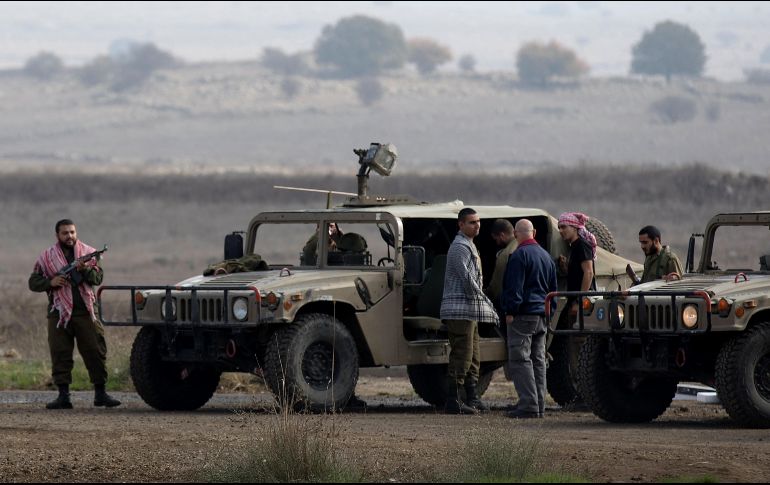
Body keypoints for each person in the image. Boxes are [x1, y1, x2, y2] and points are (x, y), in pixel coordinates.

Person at [28, 219, 121, 409]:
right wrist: (51, 282)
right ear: (57, 235)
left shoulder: (88, 253)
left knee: (95, 351)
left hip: (86, 312)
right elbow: (33, 282)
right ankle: (63, 396)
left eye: (72, 232)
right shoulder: (47, 257)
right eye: (65, 233)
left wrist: (84, 269)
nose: (69, 236)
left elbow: (98, 278)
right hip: (58, 311)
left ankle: (100, 394)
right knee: (60, 352)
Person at [440, 208, 499, 414]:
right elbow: (468, 281)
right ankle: (453, 400)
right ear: (461, 225)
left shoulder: (469, 245)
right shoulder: (460, 247)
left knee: (474, 354)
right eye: (472, 222)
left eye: (478, 221)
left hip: (468, 310)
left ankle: (472, 397)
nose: (477, 225)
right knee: (462, 354)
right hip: (459, 310)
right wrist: (486, 303)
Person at [501, 219, 557, 419]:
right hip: (542, 315)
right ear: (533, 232)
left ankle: (528, 405)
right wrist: (549, 312)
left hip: (523, 316)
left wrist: (510, 311)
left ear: (516, 234)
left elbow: (514, 288)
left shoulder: (519, 256)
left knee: (520, 359)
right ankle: (539, 406)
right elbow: (553, 290)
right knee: (538, 361)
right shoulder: (546, 256)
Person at [557, 212, 597, 314]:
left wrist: (579, 301)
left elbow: (588, 273)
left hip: (581, 302)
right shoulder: (573, 246)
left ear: (574, 228)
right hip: (573, 300)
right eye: (559, 228)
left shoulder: (582, 245)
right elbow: (576, 274)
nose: (561, 231)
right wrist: (565, 266)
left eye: (564, 227)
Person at [485, 219, 518, 307]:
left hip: (509, 304)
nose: (497, 242)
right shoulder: (525, 246)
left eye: (496, 239)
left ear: (502, 235)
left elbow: (496, 287)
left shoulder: (505, 254)